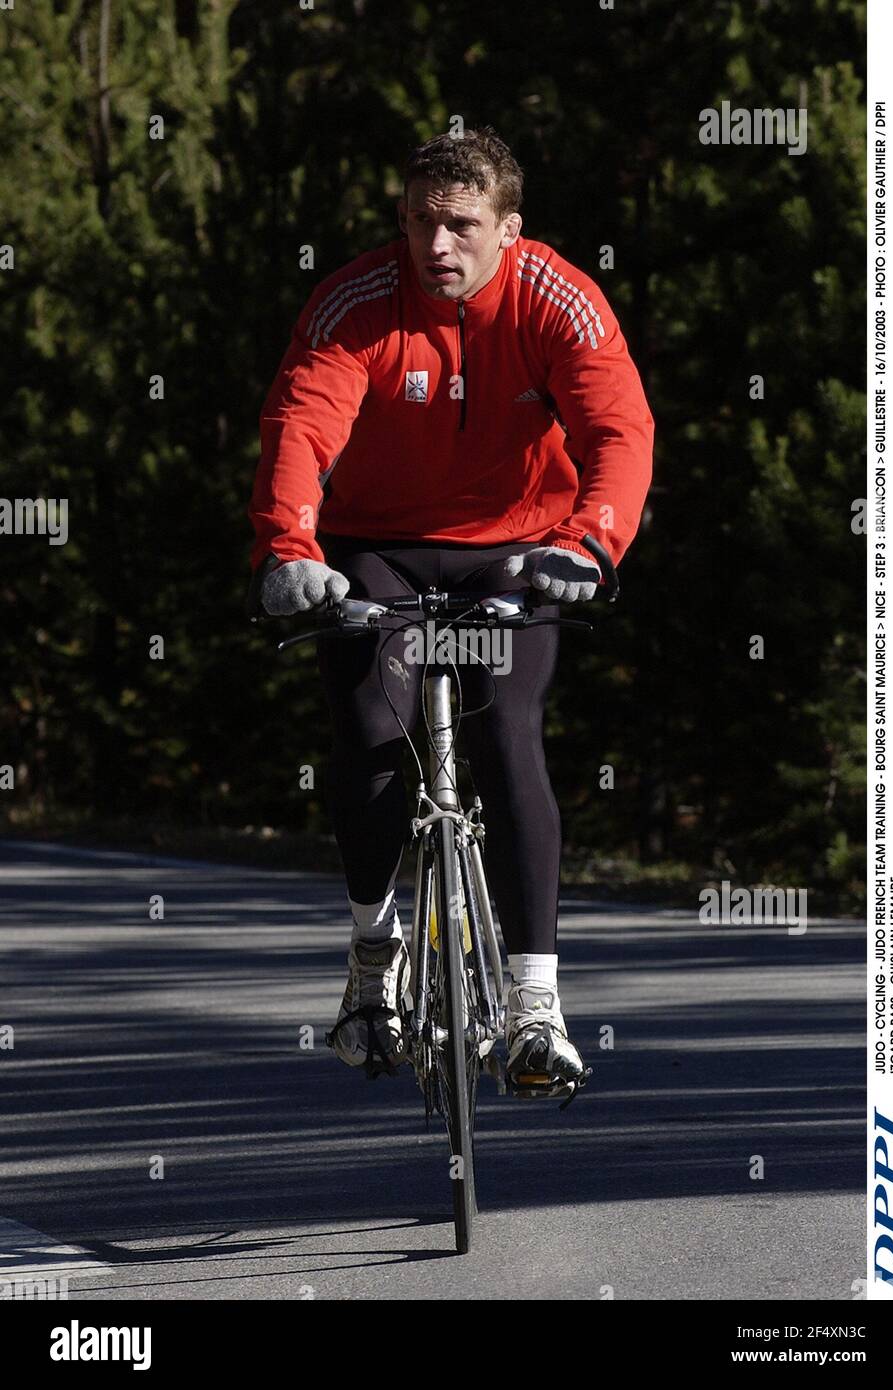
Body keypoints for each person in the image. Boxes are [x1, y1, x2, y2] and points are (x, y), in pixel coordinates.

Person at [247, 127, 653, 1095]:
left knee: (509, 730)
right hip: (374, 545)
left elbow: (617, 425)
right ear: (402, 217)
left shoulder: (556, 297)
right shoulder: (355, 302)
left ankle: (534, 1001)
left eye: (463, 225)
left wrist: (591, 542)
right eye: (422, 221)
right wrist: (289, 550)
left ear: (508, 229)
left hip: (521, 548)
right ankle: (370, 955)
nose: (438, 244)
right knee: (368, 735)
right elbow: (300, 424)